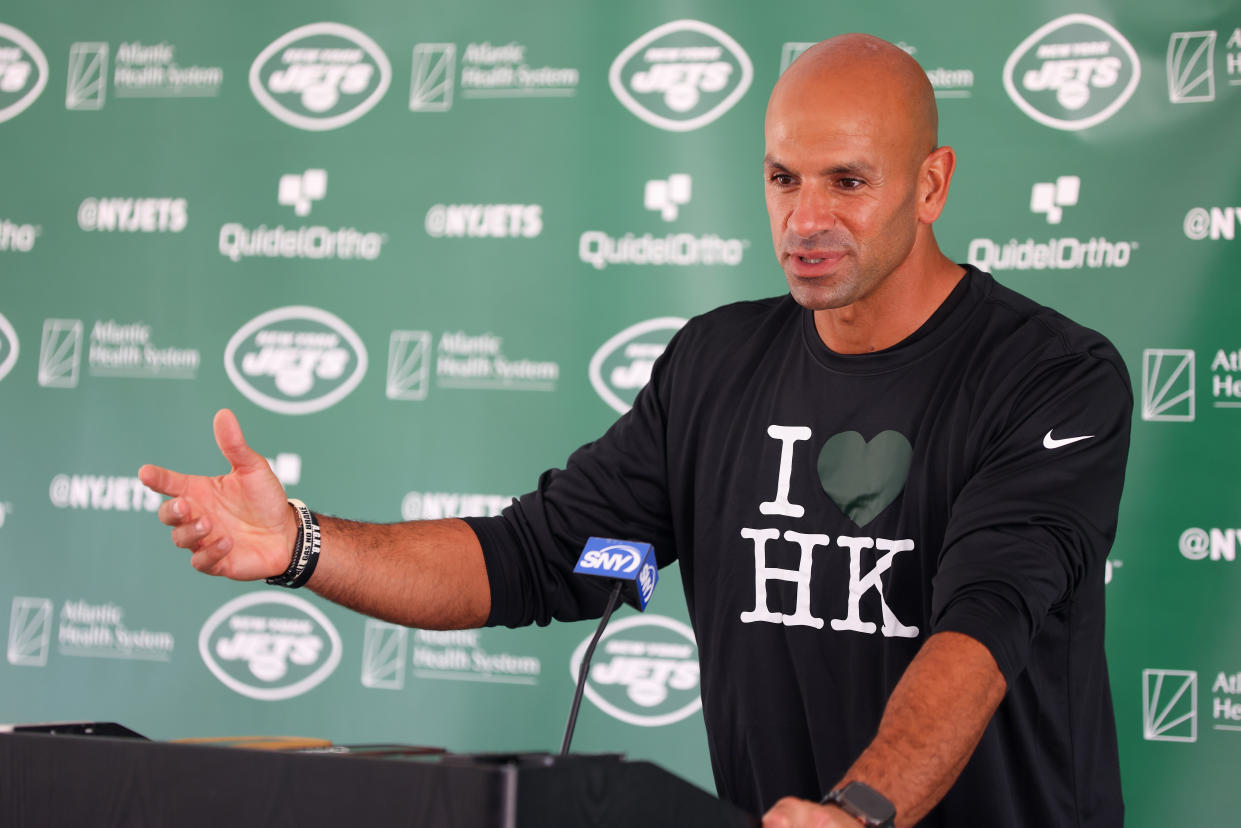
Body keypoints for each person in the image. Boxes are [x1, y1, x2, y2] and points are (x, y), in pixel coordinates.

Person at [140, 34, 1130, 828]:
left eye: (846, 181)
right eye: (782, 179)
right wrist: (300, 546)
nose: (805, 219)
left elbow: (982, 622)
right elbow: (530, 557)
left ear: (928, 185)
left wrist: (859, 812)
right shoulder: (715, 364)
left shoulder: (1051, 376)